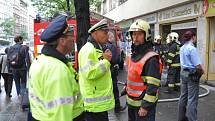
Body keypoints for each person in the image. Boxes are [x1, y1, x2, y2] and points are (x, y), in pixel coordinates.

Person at [28, 14, 84, 121]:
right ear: (62, 41)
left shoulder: (39, 60)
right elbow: (61, 114)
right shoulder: (58, 69)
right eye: (71, 35)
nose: (74, 39)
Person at [78, 19, 115, 121]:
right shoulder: (88, 50)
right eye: (105, 32)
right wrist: (106, 61)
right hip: (94, 107)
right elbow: (90, 73)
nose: (107, 35)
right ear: (95, 33)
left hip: (98, 106)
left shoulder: (96, 48)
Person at [126, 19, 162, 121]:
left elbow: (153, 86)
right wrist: (126, 87)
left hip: (143, 107)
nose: (135, 37)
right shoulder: (134, 55)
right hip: (132, 103)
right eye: (133, 34)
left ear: (146, 36)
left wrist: (145, 106)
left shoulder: (151, 58)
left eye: (139, 34)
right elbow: (133, 76)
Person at [178, 30, 204, 121]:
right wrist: (202, 70)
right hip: (192, 73)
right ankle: (193, 119)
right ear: (193, 37)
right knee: (192, 99)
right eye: (195, 37)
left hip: (183, 72)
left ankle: (181, 118)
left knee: (183, 96)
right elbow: (197, 65)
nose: (196, 39)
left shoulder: (182, 47)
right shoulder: (192, 48)